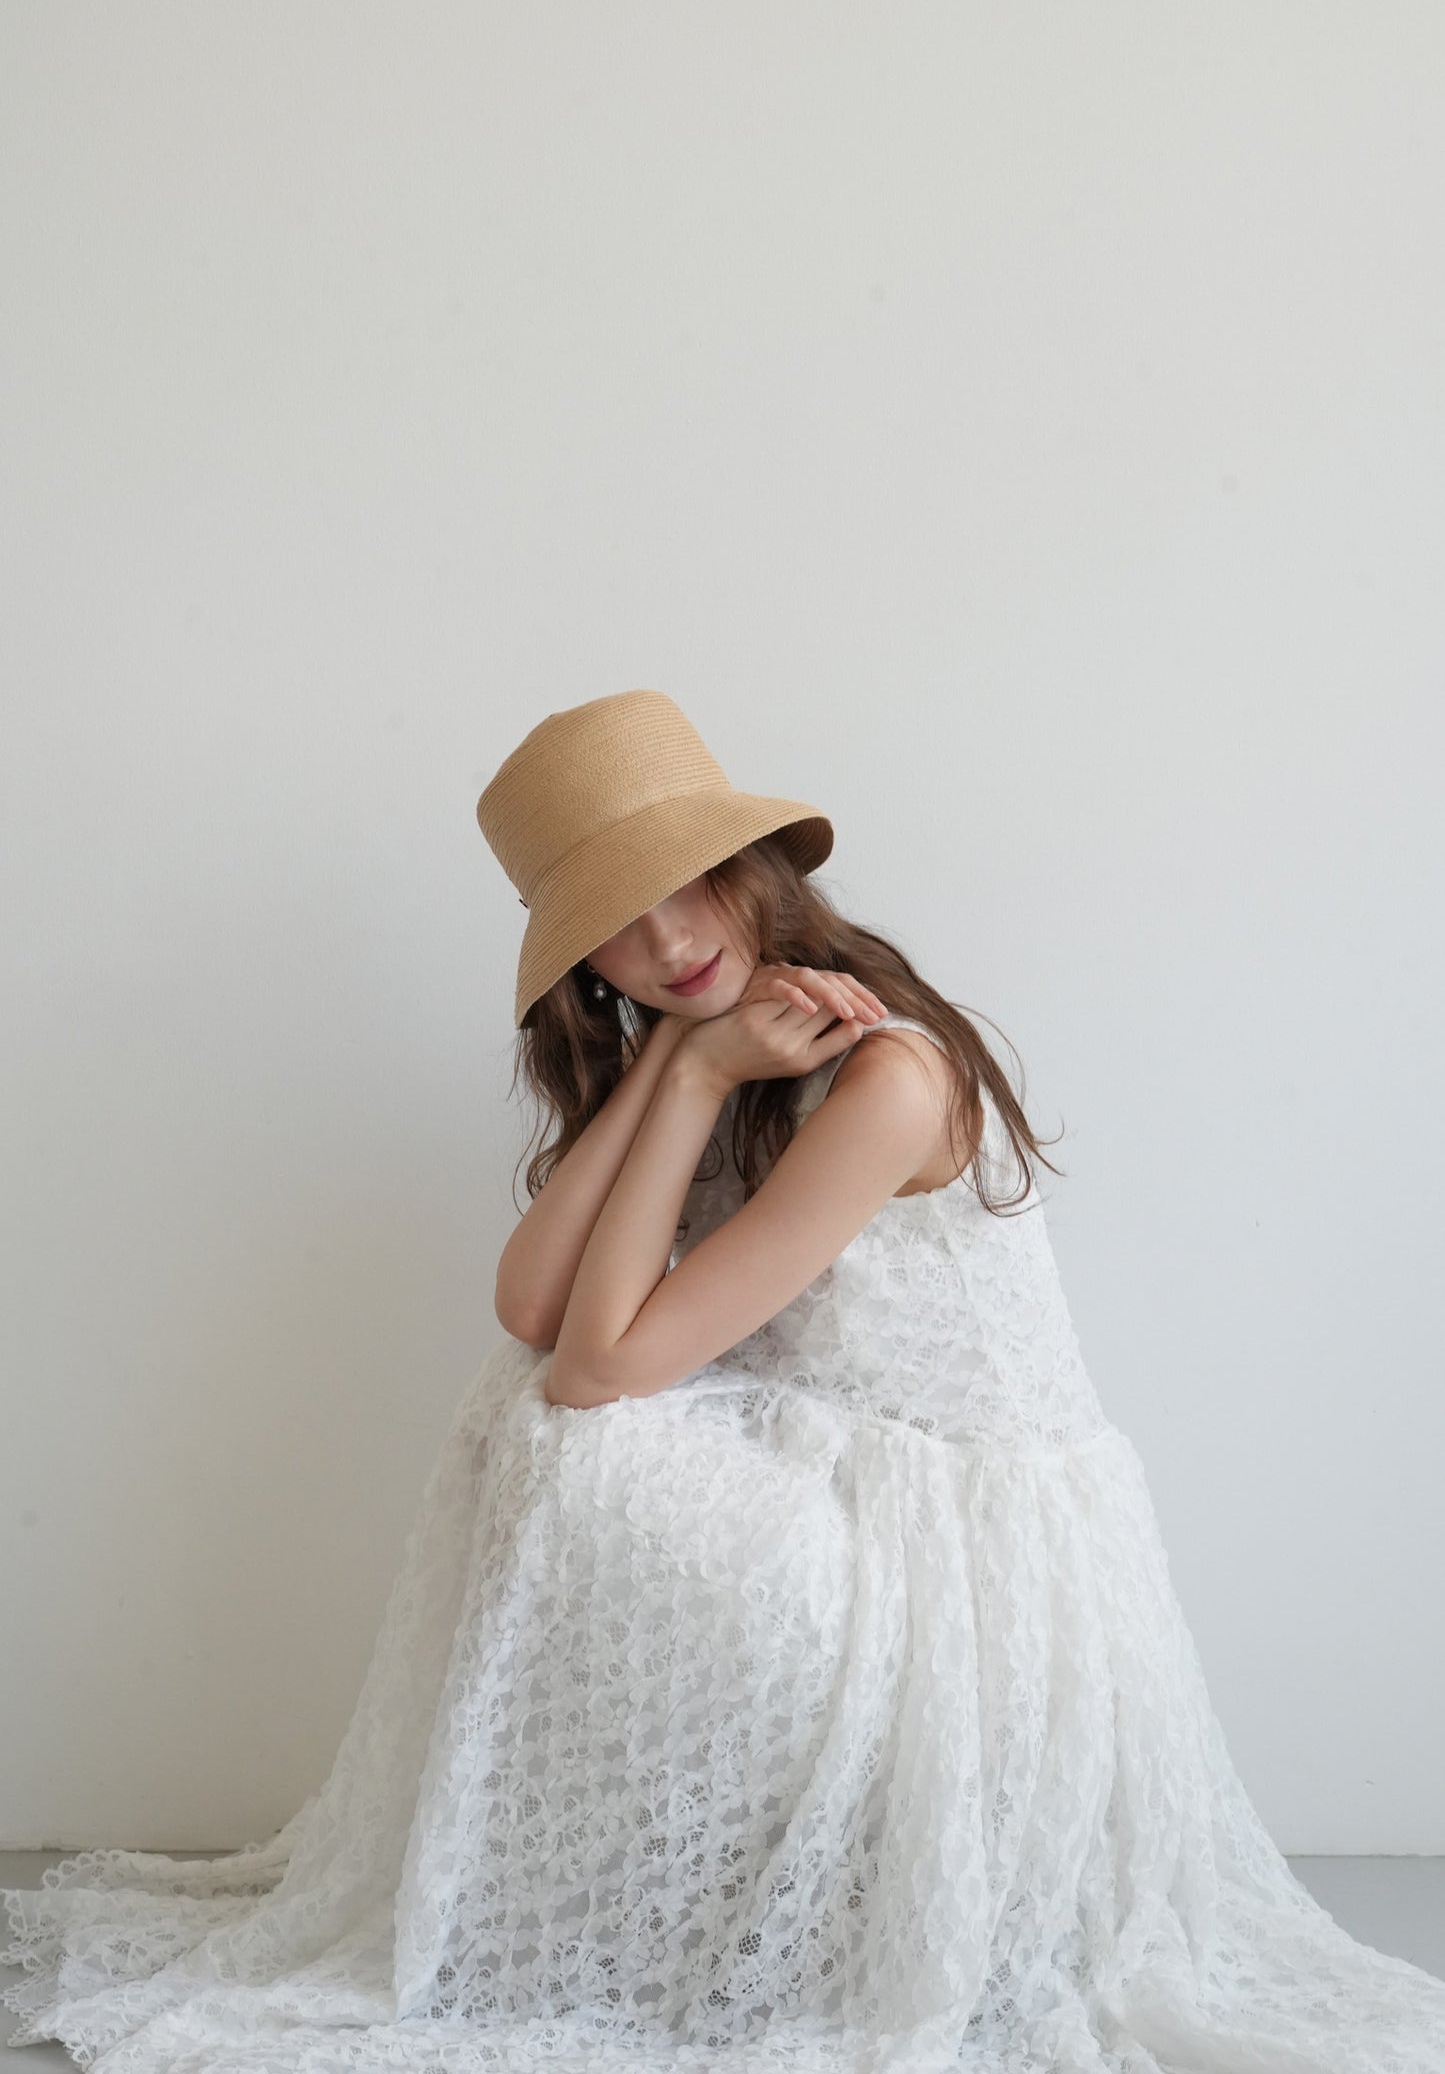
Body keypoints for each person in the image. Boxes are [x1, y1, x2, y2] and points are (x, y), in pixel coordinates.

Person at [4, 686, 1444, 2074]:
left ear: (758, 869)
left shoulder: (885, 1076)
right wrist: (676, 1069)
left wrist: (693, 1079)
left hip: (969, 1573)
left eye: (689, 885)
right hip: (845, 1492)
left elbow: (600, 1369)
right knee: (521, 1399)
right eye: (612, 927)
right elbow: (531, 1306)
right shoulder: (725, 1043)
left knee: (574, 1427)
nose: (666, 941)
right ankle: (641, 1875)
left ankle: (696, 1874)